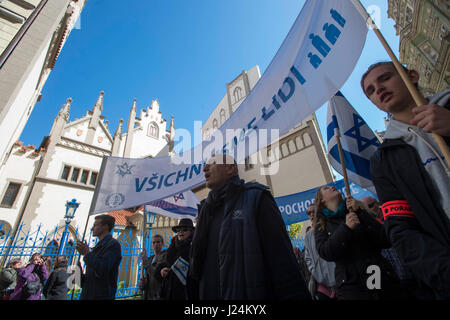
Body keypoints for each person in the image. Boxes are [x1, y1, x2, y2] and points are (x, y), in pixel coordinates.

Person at [362, 61, 450, 299]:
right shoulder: (384, 159)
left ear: (411, 75)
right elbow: (402, 231)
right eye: (370, 90)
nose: (378, 89)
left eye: (385, 78)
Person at [189, 154, 311, 300]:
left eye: (213, 163)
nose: (205, 168)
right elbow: (196, 269)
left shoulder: (256, 198)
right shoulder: (205, 209)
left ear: (230, 168)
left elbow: (283, 265)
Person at [313, 185, 405, 300]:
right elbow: (325, 252)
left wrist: (361, 213)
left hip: (380, 277)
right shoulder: (321, 224)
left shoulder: (357, 209)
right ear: (321, 200)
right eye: (326, 188)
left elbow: (384, 239)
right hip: (352, 287)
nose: (332, 187)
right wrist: (345, 229)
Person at [75, 214, 122, 300]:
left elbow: (103, 270)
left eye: (95, 225)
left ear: (105, 226)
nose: (92, 228)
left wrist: (87, 253)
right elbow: (90, 280)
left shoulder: (113, 245)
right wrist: (78, 272)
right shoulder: (97, 246)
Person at [304, 204, 336, 300]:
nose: (312, 215)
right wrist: (316, 273)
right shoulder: (308, 236)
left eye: (314, 211)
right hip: (322, 286)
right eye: (309, 213)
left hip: (338, 280)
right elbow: (308, 258)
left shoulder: (330, 228)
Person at [156, 219, 194, 300]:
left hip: (187, 292)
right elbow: (165, 263)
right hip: (169, 291)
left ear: (191, 232)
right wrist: (162, 270)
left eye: (184, 230)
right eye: (178, 230)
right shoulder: (173, 246)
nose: (181, 232)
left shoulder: (194, 247)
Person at [140, 234, 167, 300]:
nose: (156, 244)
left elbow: (156, 274)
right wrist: (143, 283)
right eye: (154, 242)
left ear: (162, 244)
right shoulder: (150, 259)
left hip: (159, 294)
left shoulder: (165, 257)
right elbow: (148, 277)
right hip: (149, 294)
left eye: (158, 242)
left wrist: (146, 262)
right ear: (151, 245)